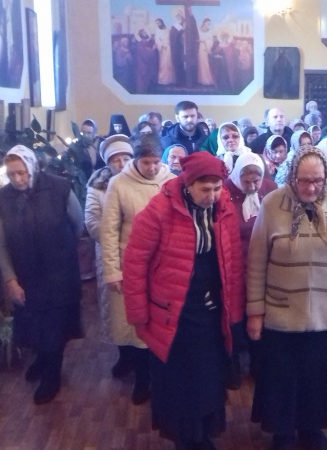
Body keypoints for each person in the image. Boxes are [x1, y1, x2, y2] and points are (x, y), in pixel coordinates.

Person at [247, 145, 327, 450]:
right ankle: (283, 431)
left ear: (326, 176)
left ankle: (311, 429)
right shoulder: (272, 203)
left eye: (317, 180)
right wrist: (255, 312)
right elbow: (256, 263)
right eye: (304, 180)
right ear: (292, 176)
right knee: (283, 376)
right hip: (281, 310)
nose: (311, 187)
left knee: (317, 376)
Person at [122, 152, 244, 449]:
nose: (212, 196)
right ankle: (186, 439)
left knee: (208, 377)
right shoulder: (159, 210)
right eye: (205, 189)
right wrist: (138, 314)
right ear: (188, 184)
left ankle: (203, 434)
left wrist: (235, 312)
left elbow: (232, 262)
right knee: (180, 381)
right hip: (173, 312)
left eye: (217, 188)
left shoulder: (224, 208)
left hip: (211, 309)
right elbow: (135, 264)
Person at [0, 145, 84, 404]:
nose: (17, 179)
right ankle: (42, 360)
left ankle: (52, 375)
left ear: (32, 167)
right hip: (27, 273)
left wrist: (63, 249)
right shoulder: (1, 199)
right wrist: (10, 279)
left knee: (55, 325)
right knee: (33, 324)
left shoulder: (59, 187)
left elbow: (77, 223)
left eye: (21, 173)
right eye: (11, 174)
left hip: (60, 272)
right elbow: (1, 243)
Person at [100, 134, 175, 405]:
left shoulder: (171, 181)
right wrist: (112, 270)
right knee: (137, 324)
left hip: (164, 264)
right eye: (146, 163)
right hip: (131, 263)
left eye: (156, 162)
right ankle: (142, 379)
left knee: (162, 321)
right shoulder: (119, 183)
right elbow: (109, 230)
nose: (152, 168)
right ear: (136, 160)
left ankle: (162, 378)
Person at [223, 152, 277, 391]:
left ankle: (258, 363)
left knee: (259, 315)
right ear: (238, 176)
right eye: (247, 182)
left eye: (257, 181)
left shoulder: (270, 189)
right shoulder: (225, 192)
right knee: (234, 319)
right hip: (234, 265)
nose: (253, 186)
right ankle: (232, 365)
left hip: (262, 264)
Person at [85, 135, 134, 373]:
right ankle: (124, 354)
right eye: (116, 159)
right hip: (110, 252)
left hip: (138, 251)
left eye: (126, 158)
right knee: (116, 308)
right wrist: (114, 237)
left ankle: (142, 357)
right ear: (108, 162)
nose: (121, 163)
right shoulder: (97, 187)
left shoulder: (140, 181)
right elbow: (92, 220)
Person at [154, 19, 174, 86]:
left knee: (170, 63)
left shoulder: (167, 30)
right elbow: (157, 40)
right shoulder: (157, 31)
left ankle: (170, 80)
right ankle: (163, 80)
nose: (158, 24)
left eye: (159, 22)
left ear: (162, 22)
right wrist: (162, 45)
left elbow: (171, 38)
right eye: (157, 23)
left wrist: (169, 44)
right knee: (163, 64)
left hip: (169, 47)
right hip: (162, 49)